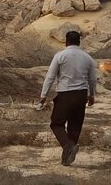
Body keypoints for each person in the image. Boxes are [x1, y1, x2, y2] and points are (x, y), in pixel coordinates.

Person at [39, 31, 96, 166]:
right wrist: (92, 94)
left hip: (65, 95)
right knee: (75, 127)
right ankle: (66, 160)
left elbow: (50, 77)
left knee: (56, 124)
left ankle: (68, 146)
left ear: (66, 42)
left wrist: (43, 95)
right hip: (81, 94)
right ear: (79, 42)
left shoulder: (60, 56)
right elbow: (92, 79)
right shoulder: (88, 58)